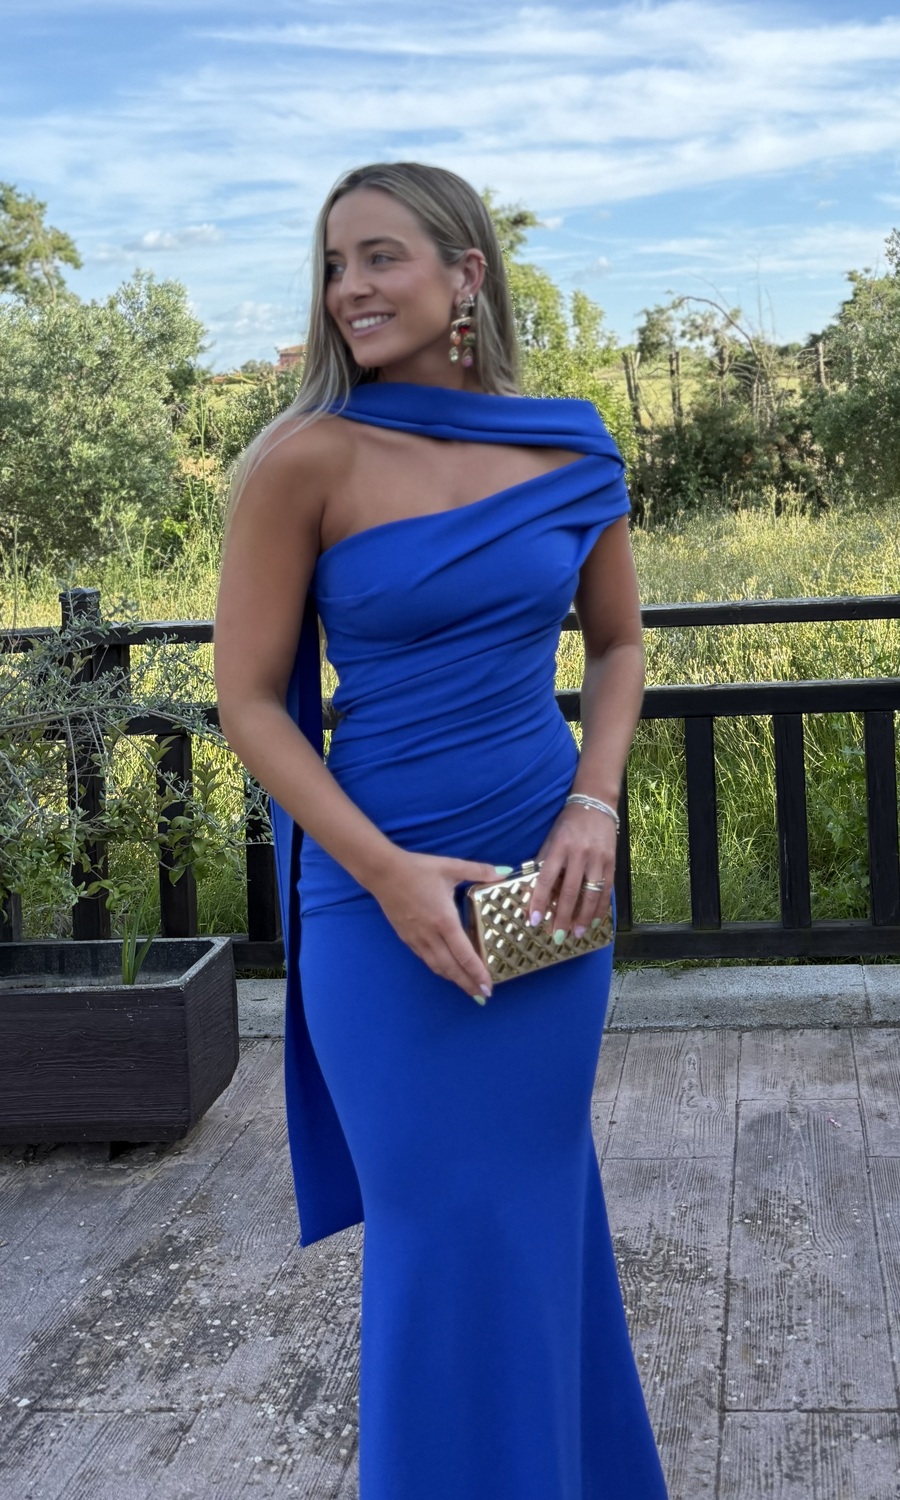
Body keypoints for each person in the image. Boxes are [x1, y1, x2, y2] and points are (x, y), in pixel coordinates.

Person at [213, 161, 669, 1500]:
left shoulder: (570, 448)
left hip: (546, 879)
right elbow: (248, 702)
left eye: (381, 257)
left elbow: (620, 645)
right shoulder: (304, 460)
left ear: (466, 273)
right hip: (375, 898)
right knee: (434, 1227)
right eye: (334, 265)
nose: (349, 288)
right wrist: (388, 875)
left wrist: (595, 804)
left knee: (534, 1205)